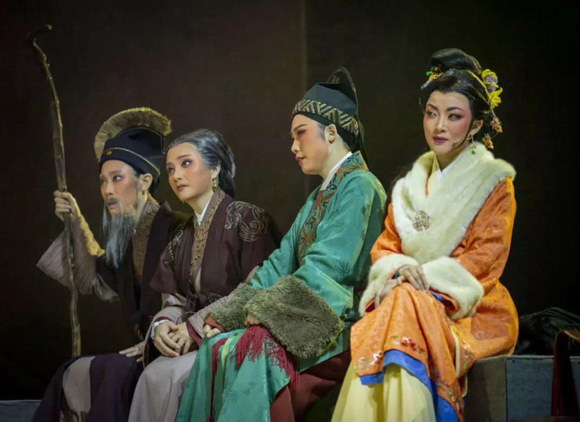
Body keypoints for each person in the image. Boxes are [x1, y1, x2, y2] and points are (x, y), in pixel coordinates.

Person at [177, 68, 387, 422]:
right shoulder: (316, 199)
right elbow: (278, 265)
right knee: (215, 346)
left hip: (342, 321)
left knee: (257, 345)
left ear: (331, 132)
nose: (293, 146)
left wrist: (269, 311)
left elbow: (329, 270)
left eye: (300, 133)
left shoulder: (361, 185)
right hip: (307, 314)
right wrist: (227, 315)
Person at [332, 48, 517, 422]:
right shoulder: (410, 185)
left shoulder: (494, 184)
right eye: (431, 113)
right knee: (398, 303)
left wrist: (423, 280)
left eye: (454, 116)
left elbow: (485, 259)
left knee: (402, 304)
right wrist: (401, 270)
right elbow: (386, 246)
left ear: (476, 125)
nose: (439, 126)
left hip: (470, 307)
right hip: (410, 294)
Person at [34, 108, 185, 422]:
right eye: (103, 181)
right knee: (71, 372)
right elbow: (96, 281)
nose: (107, 190)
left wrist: (159, 335)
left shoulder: (179, 229)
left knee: (112, 371)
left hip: (177, 350)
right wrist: (75, 221)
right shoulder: (127, 241)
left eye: (117, 179)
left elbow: (194, 296)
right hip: (144, 353)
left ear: (145, 181)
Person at [127, 128, 281, 422]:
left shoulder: (248, 219)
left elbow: (258, 290)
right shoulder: (181, 237)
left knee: (169, 376)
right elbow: (174, 299)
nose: (176, 176)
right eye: (170, 169)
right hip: (195, 339)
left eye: (186, 163)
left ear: (215, 169)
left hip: (234, 338)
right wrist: (162, 326)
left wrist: (195, 327)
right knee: (153, 375)